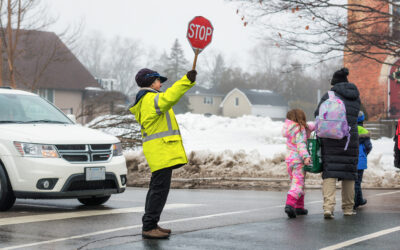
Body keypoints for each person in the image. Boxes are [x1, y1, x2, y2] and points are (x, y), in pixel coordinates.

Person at [129, 68, 197, 239]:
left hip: (159, 151)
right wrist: (186, 81)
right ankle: (149, 227)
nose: (161, 84)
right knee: (159, 191)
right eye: (159, 80)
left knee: (156, 190)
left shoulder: (146, 99)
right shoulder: (151, 99)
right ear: (151, 82)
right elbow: (171, 96)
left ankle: (151, 224)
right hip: (161, 151)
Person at [314, 67, 361, 219]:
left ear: (334, 83)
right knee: (349, 174)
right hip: (349, 139)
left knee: (330, 173)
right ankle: (348, 208)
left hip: (331, 138)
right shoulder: (355, 96)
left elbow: (317, 114)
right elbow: (357, 115)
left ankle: (328, 208)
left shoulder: (329, 95)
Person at [282, 109, 313, 218]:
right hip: (298, 160)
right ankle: (290, 205)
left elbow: (310, 126)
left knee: (297, 182)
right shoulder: (300, 129)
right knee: (298, 184)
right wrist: (306, 157)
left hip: (289, 160)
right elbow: (301, 145)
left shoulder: (290, 129)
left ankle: (299, 207)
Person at [354, 111, 372, 210]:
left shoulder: (350, 130)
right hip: (360, 161)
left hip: (351, 159)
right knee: (357, 181)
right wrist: (364, 154)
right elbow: (369, 146)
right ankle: (354, 202)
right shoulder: (364, 131)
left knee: (354, 181)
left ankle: (359, 199)